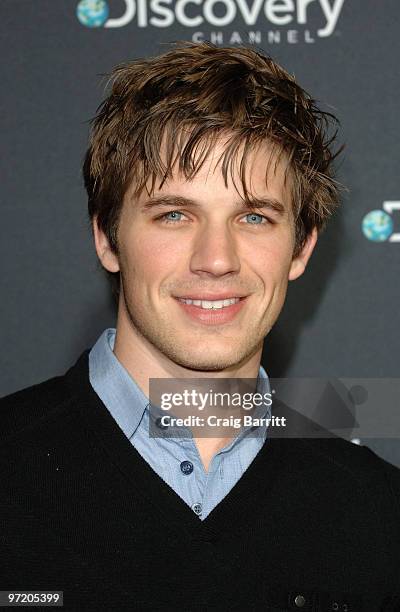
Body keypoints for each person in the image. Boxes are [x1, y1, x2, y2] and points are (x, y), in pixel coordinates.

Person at [1, 41, 399, 611]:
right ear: (107, 237)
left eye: (255, 217)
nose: (216, 259)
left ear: (302, 247)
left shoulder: (379, 513)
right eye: (175, 214)